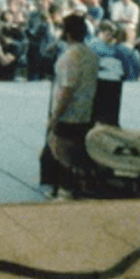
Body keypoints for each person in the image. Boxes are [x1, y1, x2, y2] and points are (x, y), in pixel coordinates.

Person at [44, 12, 98, 196]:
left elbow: (67, 89)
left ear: (66, 34)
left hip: (69, 113)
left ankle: (66, 189)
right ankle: (77, 187)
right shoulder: (91, 55)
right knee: (78, 152)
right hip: (86, 111)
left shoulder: (69, 57)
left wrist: (55, 117)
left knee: (61, 151)